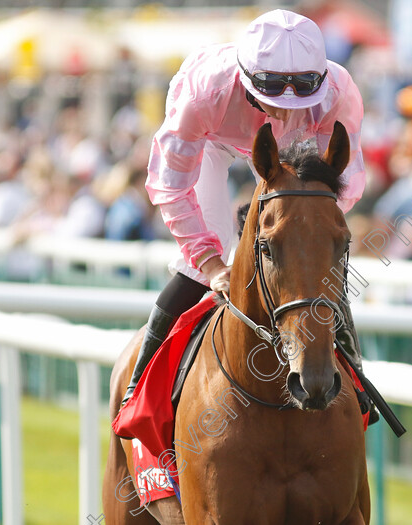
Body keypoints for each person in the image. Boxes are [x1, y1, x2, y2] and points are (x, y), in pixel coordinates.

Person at [122, 9, 368, 408]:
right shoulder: (205, 92)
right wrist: (212, 265)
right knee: (207, 253)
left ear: (319, 82)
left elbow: (342, 183)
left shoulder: (339, 93)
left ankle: (356, 379)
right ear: (247, 79)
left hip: (288, 153)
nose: (286, 111)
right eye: (273, 99)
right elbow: (172, 186)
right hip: (212, 139)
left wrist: (302, 237)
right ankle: (137, 387)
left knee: (311, 263)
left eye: (300, 98)